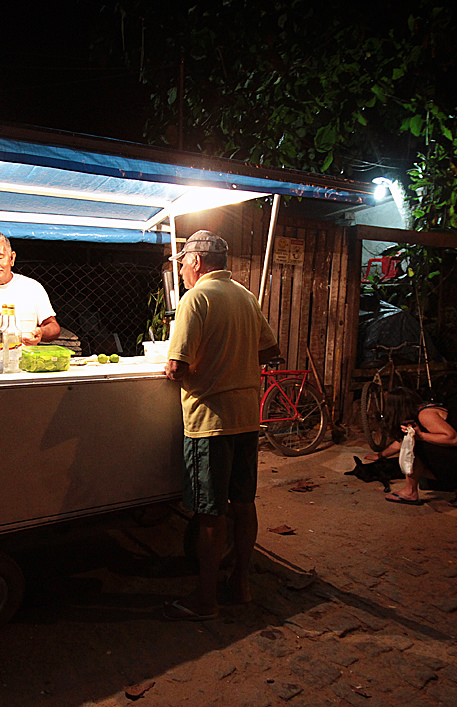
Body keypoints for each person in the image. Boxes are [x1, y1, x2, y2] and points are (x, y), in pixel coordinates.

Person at [163, 230, 281, 621]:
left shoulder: (196, 298)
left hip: (209, 422)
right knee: (243, 506)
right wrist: (234, 359)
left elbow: (176, 367)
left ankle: (205, 600)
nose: (181, 270)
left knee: (210, 514)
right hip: (246, 418)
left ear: (196, 261)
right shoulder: (245, 296)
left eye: (183, 262)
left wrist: (189, 368)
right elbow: (271, 349)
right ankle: (241, 585)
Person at [367, 388, 457, 508]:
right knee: (414, 443)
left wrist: (420, 436)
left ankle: (410, 492)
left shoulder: (426, 414)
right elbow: (400, 442)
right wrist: (381, 455)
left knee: (414, 447)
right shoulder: (422, 412)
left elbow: (453, 439)